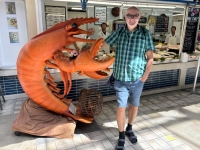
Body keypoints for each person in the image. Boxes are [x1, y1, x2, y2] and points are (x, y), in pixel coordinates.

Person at [102, 6, 154, 150]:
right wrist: (83, 50)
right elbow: (102, 44)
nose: (132, 18)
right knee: (120, 108)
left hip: (138, 79)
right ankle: (120, 135)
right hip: (120, 79)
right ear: (125, 17)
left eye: (135, 15)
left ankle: (129, 129)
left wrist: (144, 77)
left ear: (139, 17)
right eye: (129, 15)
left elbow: (150, 58)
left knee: (134, 106)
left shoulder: (145, 34)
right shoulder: (119, 32)